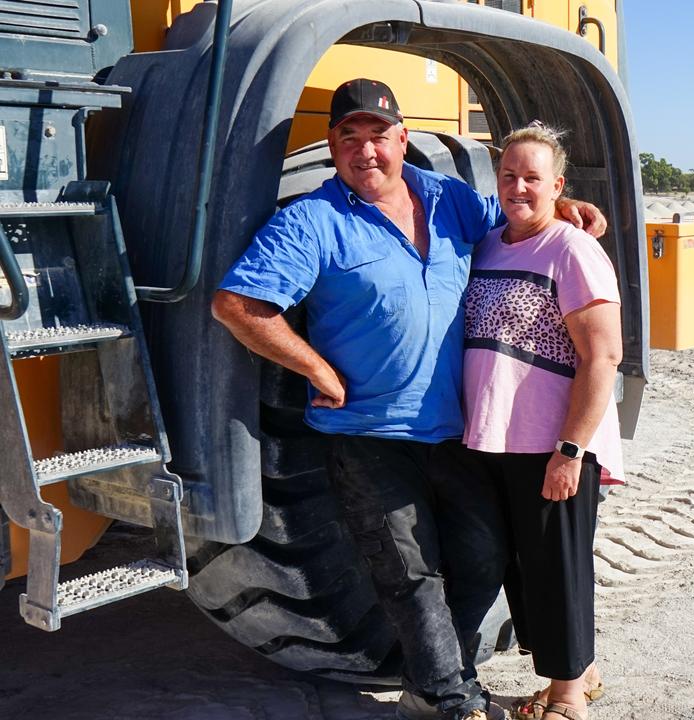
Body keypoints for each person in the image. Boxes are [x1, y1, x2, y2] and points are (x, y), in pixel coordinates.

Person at [210, 79, 606, 720]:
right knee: (411, 574)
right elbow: (237, 305)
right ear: (334, 146)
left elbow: (516, 220)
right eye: (350, 139)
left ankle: (447, 675)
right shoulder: (312, 220)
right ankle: (443, 700)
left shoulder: (448, 198)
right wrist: (314, 366)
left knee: (481, 559)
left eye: (378, 137)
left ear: (402, 139)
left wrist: (567, 207)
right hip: (371, 434)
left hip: (453, 431)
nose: (366, 152)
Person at [459, 123, 624, 720]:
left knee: (557, 570)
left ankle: (568, 700)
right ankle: (584, 672)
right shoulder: (490, 242)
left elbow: (603, 356)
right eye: (509, 175)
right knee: (520, 568)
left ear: (558, 184)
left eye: (533, 178)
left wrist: (571, 449)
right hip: (492, 438)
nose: (519, 187)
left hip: (551, 443)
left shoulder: (573, 249)